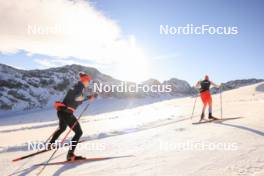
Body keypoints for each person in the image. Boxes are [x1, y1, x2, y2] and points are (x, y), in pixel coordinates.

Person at [49, 72, 97, 161]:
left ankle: (50, 144)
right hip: (67, 113)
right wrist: (89, 97)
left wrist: (87, 97)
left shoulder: (77, 86)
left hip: (62, 112)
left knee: (62, 128)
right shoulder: (79, 88)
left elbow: (76, 98)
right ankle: (70, 155)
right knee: (78, 132)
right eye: (88, 80)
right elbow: (77, 98)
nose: (88, 82)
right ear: (85, 80)